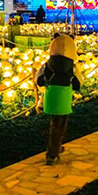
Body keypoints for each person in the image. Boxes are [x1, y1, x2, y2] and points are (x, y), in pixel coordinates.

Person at [36, 33, 83, 165]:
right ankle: (52, 153)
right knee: (59, 126)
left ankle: (56, 146)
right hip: (63, 100)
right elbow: (78, 85)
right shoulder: (72, 67)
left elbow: (39, 80)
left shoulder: (47, 65)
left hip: (51, 98)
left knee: (55, 124)